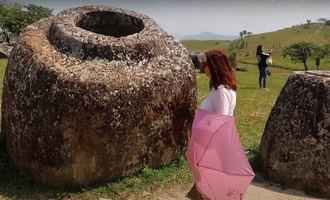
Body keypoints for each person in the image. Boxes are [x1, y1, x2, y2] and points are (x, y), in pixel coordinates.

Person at [200, 50, 237, 116]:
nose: (203, 67)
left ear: (213, 66)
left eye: (205, 63)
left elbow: (221, 120)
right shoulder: (222, 88)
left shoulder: (221, 90)